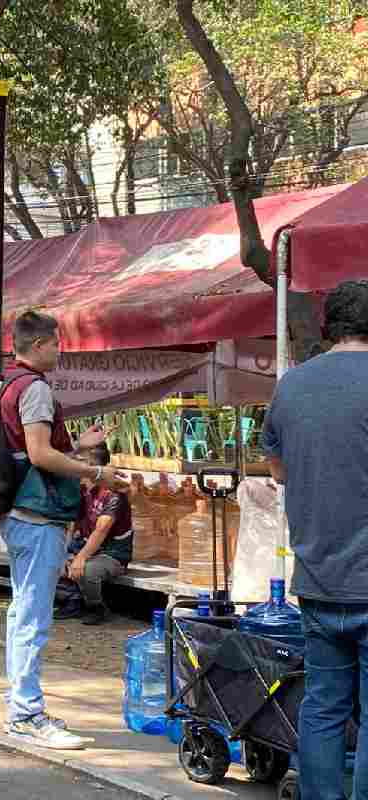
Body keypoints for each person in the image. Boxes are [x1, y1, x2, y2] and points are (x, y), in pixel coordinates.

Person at [0, 310, 128, 750]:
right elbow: (39, 456)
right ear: (38, 346)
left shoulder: (11, 382)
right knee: (33, 618)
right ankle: (27, 714)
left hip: (20, 515)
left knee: (23, 614)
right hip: (37, 520)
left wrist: (77, 446)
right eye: (56, 343)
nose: (60, 350)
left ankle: (22, 706)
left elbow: (35, 451)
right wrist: (96, 474)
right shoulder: (34, 388)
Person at [262, 279, 368, 800]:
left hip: (317, 577)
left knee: (323, 706)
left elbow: (278, 469)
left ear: (329, 328)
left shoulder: (291, 385)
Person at [54, 443, 133, 625]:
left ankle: (96, 607)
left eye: (79, 462)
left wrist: (80, 558)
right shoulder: (83, 490)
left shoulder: (113, 494)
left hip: (112, 554)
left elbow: (101, 530)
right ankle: (72, 602)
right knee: (53, 559)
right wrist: (64, 552)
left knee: (87, 570)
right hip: (86, 546)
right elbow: (73, 524)